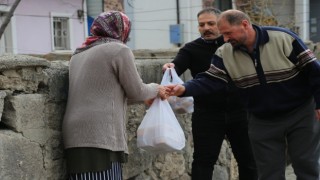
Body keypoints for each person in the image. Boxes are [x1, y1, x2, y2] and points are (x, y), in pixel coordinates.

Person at [168, 9, 320, 180]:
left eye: (227, 33)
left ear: (245, 25)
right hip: (261, 119)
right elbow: (211, 79)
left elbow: (314, 71)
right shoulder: (224, 52)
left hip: (299, 113)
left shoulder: (284, 39)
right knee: (268, 173)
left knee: (305, 165)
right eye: (223, 34)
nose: (224, 39)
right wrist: (184, 89)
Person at [62, 11, 168, 180]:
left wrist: (141, 99)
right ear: (123, 30)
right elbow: (137, 90)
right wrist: (157, 88)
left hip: (75, 132)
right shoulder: (119, 50)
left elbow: (106, 93)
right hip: (99, 132)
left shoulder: (78, 54)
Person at [162, 7, 257, 180]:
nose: (206, 28)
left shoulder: (235, 44)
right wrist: (169, 67)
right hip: (207, 114)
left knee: (249, 161)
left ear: (220, 25)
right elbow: (176, 66)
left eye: (211, 23)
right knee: (203, 162)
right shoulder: (190, 49)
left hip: (241, 112)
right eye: (202, 25)